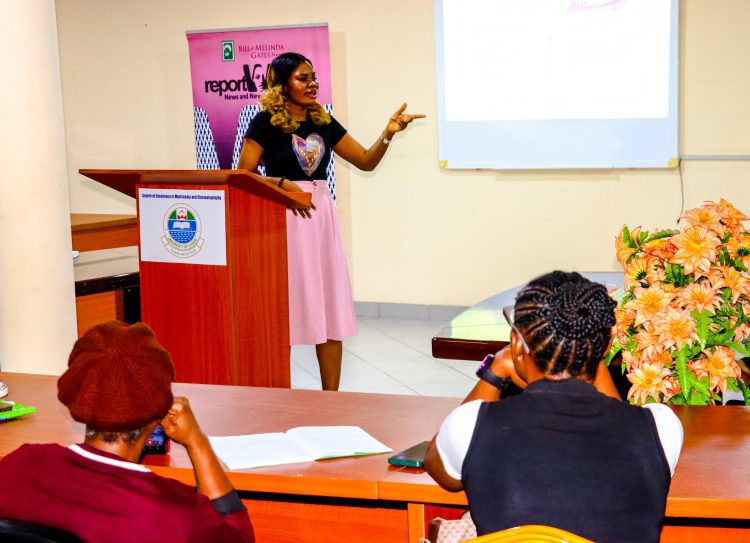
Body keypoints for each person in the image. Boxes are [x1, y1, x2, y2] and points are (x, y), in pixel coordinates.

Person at [424, 271, 683, 543]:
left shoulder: (470, 427)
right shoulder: (660, 429)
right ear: (607, 345)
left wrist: (495, 371)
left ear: (516, 344)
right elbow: (622, 430)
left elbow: (440, 469)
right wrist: (589, 353)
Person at [237, 52, 424, 391]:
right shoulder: (264, 123)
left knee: (329, 306)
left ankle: (331, 398)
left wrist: (388, 133)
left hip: (320, 217)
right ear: (281, 84)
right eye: (303, 78)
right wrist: (280, 183)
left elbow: (365, 160)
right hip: (285, 218)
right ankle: (279, 394)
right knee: (285, 307)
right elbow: (243, 175)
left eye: (313, 78)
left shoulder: (322, 120)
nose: (312, 84)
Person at [0, 321, 254, 543]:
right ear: (160, 412)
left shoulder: (16, 466)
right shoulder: (178, 516)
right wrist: (197, 442)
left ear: (76, 394)